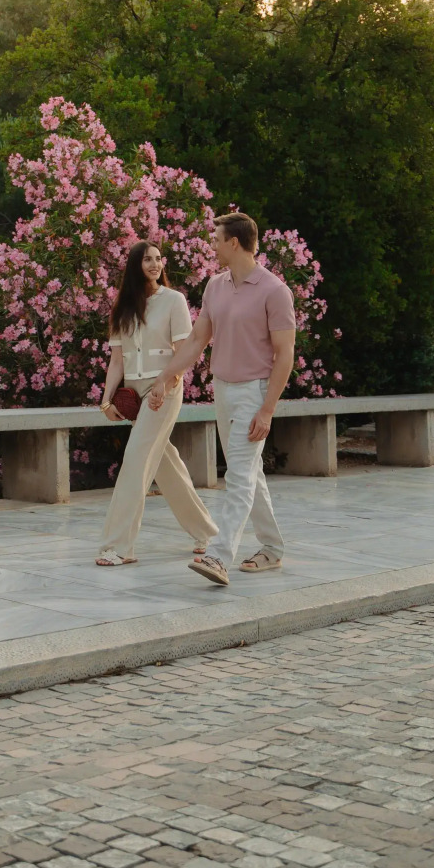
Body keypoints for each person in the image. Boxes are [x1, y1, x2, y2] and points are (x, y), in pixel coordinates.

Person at [147, 212, 295, 587]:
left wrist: (267, 409)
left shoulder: (274, 291)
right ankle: (273, 548)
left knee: (240, 475)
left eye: (216, 239)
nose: (211, 245)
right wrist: (165, 377)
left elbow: (285, 354)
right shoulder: (215, 286)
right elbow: (197, 340)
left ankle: (219, 556)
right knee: (250, 474)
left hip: (254, 392)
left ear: (234, 243)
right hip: (224, 389)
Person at [95, 241, 218, 566]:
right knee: (166, 464)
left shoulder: (174, 300)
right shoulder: (122, 307)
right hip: (136, 396)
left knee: (135, 459)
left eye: (158, 258)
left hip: (165, 389)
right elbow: (117, 361)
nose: (154, 264)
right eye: (147, 259)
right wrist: (106, 400)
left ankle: (119, 546)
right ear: (135, 266)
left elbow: (185, 351)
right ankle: (205, 530)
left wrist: (166, 383)